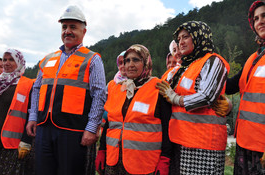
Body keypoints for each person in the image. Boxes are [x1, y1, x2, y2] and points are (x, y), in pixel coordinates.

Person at [26, 5, 106, 175]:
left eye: (73, 27)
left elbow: (99, 94)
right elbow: (37, 89)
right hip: (44, 128)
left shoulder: (92, 59)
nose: (67, 31)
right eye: (64, 27)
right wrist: (33, 116)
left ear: (84, 31)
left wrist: (92, 128)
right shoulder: (47, 59)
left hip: (72, 131)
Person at [156, 21, 230, 174]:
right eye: (179, 39)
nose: (181, 42)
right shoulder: (185, 66)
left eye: (186, 37)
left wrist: (175, 98)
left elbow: (207, 96)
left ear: (199, 37)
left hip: (204, 145)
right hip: (180, 141)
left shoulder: (213, 61)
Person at [95, 44, 172, 175]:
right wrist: (102, 150)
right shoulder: (119, 88)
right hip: (113, 162)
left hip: (143, 164)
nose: (130, 64)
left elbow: (167, 128)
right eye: (127, 61)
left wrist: (165, 158)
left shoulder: (158, 88)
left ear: (146, 62)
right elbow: (110, 123)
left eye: (136, 60)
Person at [225, 1, 265, 174]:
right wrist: (207, 68)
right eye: (256, 18)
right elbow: (230, 85)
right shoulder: (252, 59)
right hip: (245, 144)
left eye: (264, 16)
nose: (260, 21)